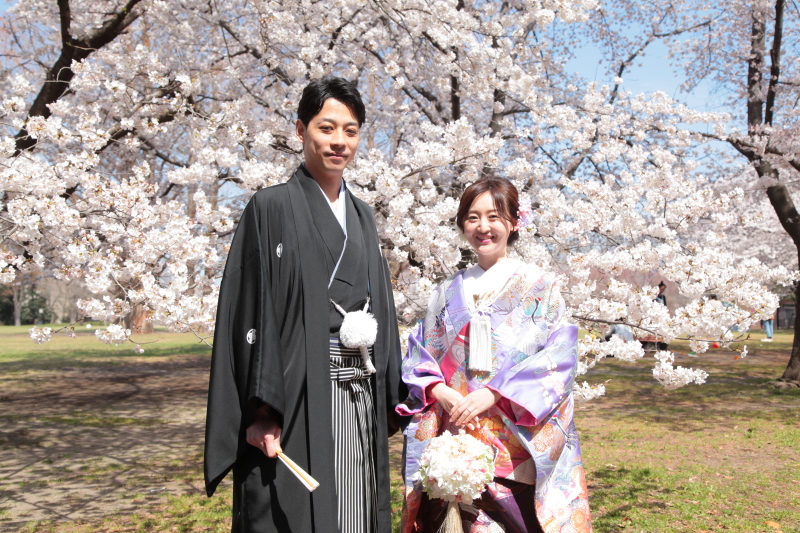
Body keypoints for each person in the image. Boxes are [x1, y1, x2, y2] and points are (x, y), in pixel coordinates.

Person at [204, 76, 405, 533]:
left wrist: (391, 390)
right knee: (293, 511)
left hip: (359, 389)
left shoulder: (363, 214)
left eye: (350, 131)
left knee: (355, 508)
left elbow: (384, 309)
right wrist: (259, 412)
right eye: (326, 127)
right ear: (301, 131)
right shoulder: (270, 206)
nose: (339, 142)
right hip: (294, 393)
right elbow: (251, 309)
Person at [396, 178, 592, 533]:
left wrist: (495, 392)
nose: (483, 227)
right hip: (456, 442)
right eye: (472, 217)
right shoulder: (444, 293)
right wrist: (438, 390)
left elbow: (559, 359)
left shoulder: (539, 285)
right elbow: (417, 355)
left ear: (515, 222)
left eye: (494, 216)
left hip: (515, 442)